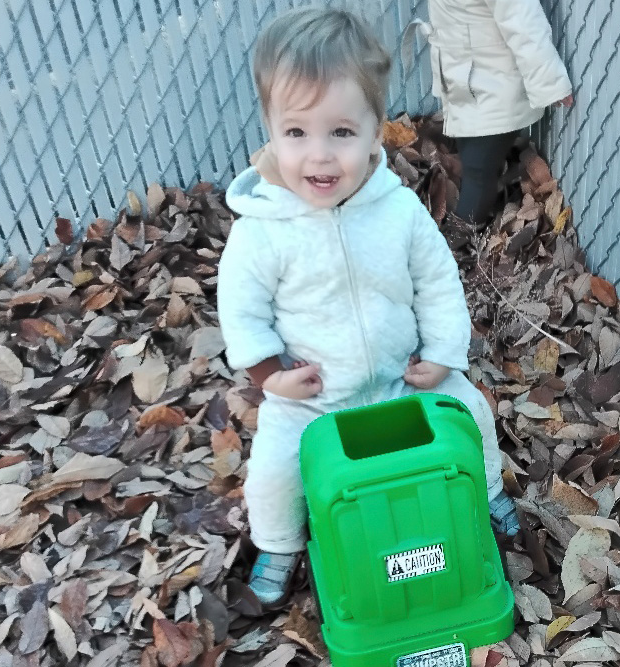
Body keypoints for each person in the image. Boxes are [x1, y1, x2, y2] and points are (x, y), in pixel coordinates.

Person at [216, 7, 520, 607]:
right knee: (275, 471)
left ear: (376, 128)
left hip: (397, 380)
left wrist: (441, 355)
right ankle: (280, 544)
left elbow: (436, 281)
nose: (319, 156)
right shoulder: (263, 228)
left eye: (342, 133)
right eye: (296, 133)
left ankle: (485, 492)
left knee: (469, 410)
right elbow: (242, 310)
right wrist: (271, 376)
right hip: (315, 396)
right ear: (270, 129)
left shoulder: (397, 209)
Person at [418, 0, 573, 228]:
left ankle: (459, 241)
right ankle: (498, 188)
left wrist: (549, 82)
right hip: (469, 89)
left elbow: (523, 21)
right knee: (471, 157)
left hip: (495, 92)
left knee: (478, 172)